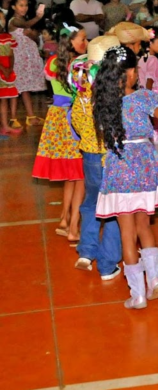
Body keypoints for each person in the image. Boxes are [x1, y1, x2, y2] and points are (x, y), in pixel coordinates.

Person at [93, 47, 158, 309]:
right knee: (144, 226)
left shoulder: (104, 102)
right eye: (134, 69)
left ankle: (137, 295)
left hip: (119, 168)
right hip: (146, 165)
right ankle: (156, 279)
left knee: (127, 234)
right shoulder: (145, 98)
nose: (136, 73)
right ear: (126, 74)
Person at [69, 36, 123, 280]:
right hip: (110, 156)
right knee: (113, 208)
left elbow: (77, 121)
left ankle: (86, 251)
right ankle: (108, 264)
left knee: (91, 202)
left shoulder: (81, 90)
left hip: (89, 154)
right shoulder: (112, 91)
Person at [33, 24, 87, 243]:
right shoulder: (80, 65)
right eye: (82, 39)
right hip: (74, 119)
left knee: (71, 175)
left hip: (57, 117)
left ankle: (64, 218)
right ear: (71, 42)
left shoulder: (53, 61)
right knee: (80, 174)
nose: (86, 43)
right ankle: (73, 225)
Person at [6, 0, 47, 127]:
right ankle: (13, 118)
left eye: (26, 5)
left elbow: (34, 36)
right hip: (18, 59)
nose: (24, 8)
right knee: (15, 88)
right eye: (21, 5)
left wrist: (32, 34)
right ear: (13, 7)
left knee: (25, 89)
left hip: (27, 58)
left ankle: (31, 116)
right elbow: (25, 24)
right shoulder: (14, 21)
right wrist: (38, 17)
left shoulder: (25, 21)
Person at [0, 28, 17, 137]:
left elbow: (11, 54)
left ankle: (5, 125)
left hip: (7, 68)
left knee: (4, 98)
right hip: (2, 68)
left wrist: (9, 68)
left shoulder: (9, 37)